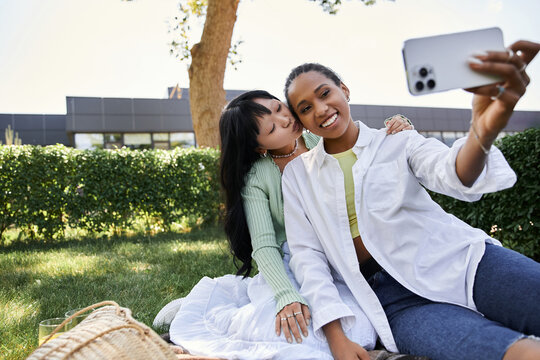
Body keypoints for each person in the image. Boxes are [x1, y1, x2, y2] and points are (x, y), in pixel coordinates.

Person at [281, 40, 540, 360]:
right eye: (305, 108)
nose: (320, 109)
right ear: (301, 121)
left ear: (344, 90)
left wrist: (483, 131)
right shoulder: (297, 176)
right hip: (395, 302)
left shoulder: (397, 139)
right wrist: (335, 335)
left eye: (324, 94)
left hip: (463, 262)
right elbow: (308, 259)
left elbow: (455, 173)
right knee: (523, 354)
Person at [153, 90, 415, 359]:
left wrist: (398, 125)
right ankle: (210, 313)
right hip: (290, 266)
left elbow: (366, 145)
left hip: (338, 260)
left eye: (279, 108)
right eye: (272, 127)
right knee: (294, 333)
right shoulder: (258, 176)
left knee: (359, 331)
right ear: (259, 146)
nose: (285, 119)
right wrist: (286, 295)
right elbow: (265, 246)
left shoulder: (318, 137)